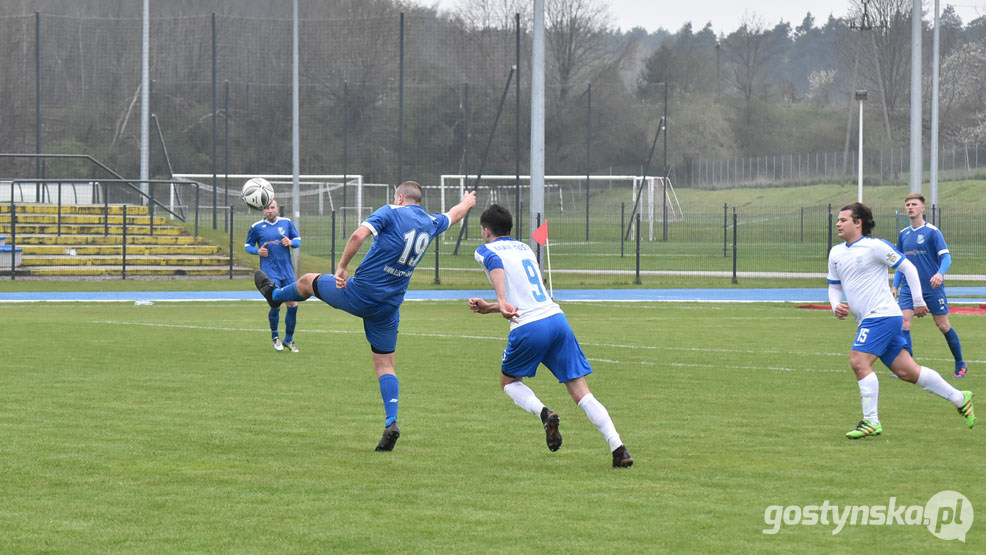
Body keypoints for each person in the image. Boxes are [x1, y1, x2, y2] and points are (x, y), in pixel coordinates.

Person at [254, 181, 476, 451]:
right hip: (388, 307)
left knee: (306, 282)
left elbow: (359, 235)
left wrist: (342, 267)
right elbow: (455, 214)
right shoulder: (431, 221)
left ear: (400, 197)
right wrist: (467, 201)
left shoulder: (390, 211)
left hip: (359, 293)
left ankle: (273, 295)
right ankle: (391, 422)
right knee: (385, 365)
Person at [467, 204, 633, 468]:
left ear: (486, 231)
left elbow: (496, 265)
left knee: (508, 382)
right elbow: (525, 293)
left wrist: (499, 299)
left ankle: (544, 413)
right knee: (582, 393)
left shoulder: (486, 250)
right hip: (556, 319)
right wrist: (491, 307)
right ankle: (619, 448)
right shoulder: (525, 248)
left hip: (528, 326)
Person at [826, 202, 975, 439]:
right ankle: (960, 398)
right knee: (908, 372)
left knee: (858, 361)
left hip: (882, 316)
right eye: (838, 220)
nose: (838, 223)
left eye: (844, 220)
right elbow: (834, 287)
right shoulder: (836, 253)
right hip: (870, 319)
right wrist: (836, 305)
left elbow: (909, 268)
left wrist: (917, 300)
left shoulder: (875, 247)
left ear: (858, 223)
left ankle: (871, 422)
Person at [891, 193, 967, 378]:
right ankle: (908, 366)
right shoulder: (904, 234)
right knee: (904, 323)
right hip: (909, 288)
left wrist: (940, 273)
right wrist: (895, 285)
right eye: (907, 204)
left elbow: (946, 257)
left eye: (914, 204)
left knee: (942, 325)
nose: (910, 207)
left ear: (922, 208)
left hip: (932, 288)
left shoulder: (933, 232)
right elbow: (902, 264)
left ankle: (960, 362)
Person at [245, 200, 301, 352]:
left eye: (272, 207)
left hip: (287, 271)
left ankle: (289, 339)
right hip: (269, 271)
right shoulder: (256, 227)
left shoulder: (287, 223)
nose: (269, 210)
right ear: (263, 211)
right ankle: (275, 337)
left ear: (277, 209)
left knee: (293, 305)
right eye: (266, 208)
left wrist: (290, 242)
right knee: (275, 305)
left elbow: (298, 241)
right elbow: (247, 246)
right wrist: (258, 252)